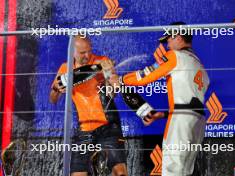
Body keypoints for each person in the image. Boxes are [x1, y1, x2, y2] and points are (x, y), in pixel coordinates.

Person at [110, 22, 210, 176]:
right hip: (198, 120)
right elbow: (190, 100)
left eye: (168, 40)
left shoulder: (176, 55)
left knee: (172, 170)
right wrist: (162, 114)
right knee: (184, 171)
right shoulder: (199, 64)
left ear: (177, 37)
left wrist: (121, 80)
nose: (167, 45)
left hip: (181, 120)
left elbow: (145, 76)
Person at [50, 35, 128, 176]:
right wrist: (56, 89)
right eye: (82, 53)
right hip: (84, 129)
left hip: (108, 126)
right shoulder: (65, 68)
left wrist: (112, 80)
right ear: (72, 52)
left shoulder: (102, 62)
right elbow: (53, 99)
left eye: (89, 51)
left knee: (120, 173)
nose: (87, 55)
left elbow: (113, 92)